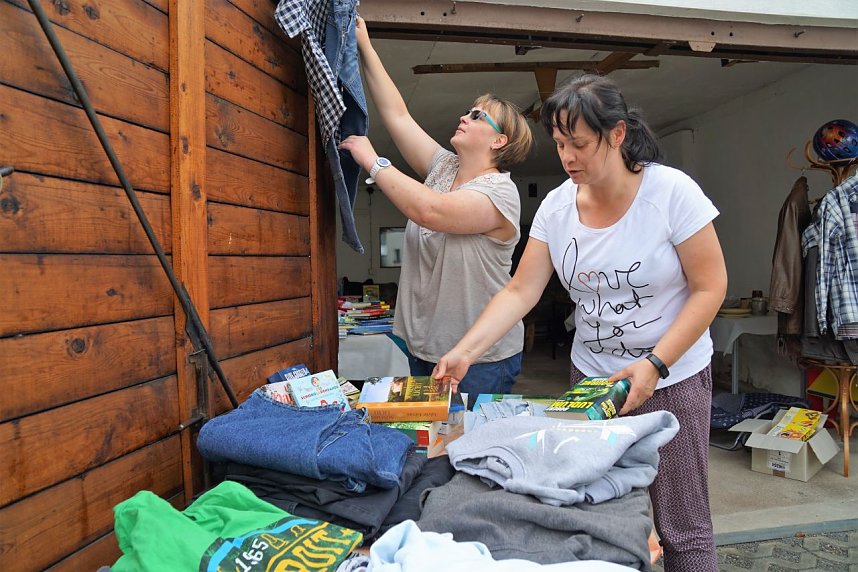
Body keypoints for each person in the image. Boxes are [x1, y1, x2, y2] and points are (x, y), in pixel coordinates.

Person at [434, 74, 727, 572]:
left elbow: (710, 287)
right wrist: (467, 350)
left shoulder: (671, 192)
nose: (567, 156)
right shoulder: (556, 205)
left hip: (671, 375)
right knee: (591, 508)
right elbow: (520, 290)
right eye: (560, 143)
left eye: (579, 144)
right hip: (592, 380)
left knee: (683, 526)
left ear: (616, 135)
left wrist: (655, 364)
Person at [338, 17, 534, 406]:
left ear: (499, 140)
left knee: (467, 453)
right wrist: (365, 46)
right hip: (424, 347)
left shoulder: (500, 193)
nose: (464, 116)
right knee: (433, 444)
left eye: (478, 116)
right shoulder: (443, 168)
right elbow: (397, 116)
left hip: (479, 359)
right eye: (468, 110)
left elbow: (431, 211)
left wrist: (373, 162)